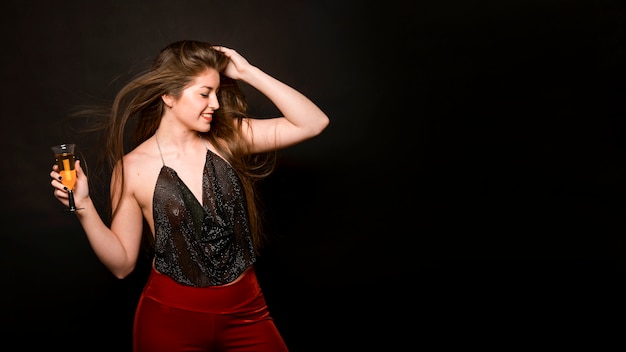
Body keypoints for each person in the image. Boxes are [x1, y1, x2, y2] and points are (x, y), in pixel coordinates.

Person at [49, 40, 329, 351]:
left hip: (247, 312)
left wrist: (247, 71)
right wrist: (84, 206)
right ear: (168, 95)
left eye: (217, 93)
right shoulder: (133, 168)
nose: (216, 105)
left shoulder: (228, 139)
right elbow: (122, 265)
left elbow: (314, 122)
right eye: (204, 94)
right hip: (170, 318)